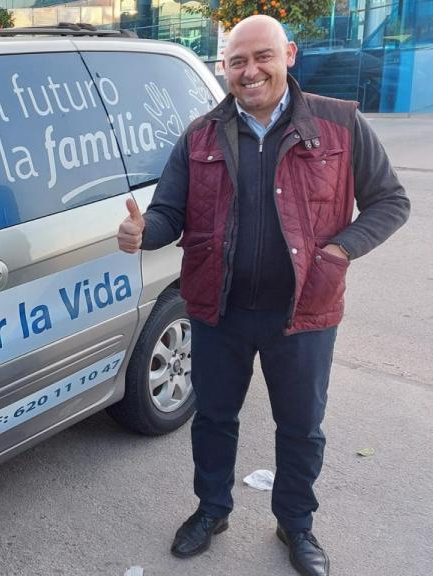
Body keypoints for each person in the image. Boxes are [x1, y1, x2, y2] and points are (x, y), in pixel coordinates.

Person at [116, 14, 410, 576]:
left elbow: (391, 201)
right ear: (223, 68)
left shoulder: (340, 124)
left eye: (261, 58)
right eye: (236, 61)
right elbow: (169, 214)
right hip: (218, 308)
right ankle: (212, 510)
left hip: (303, 314)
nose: (249, 71)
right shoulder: (200, 134)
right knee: (214, 419)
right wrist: (142, 232)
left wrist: (342, 249)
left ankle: (296, 525)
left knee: (301, 427)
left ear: (289, 55)